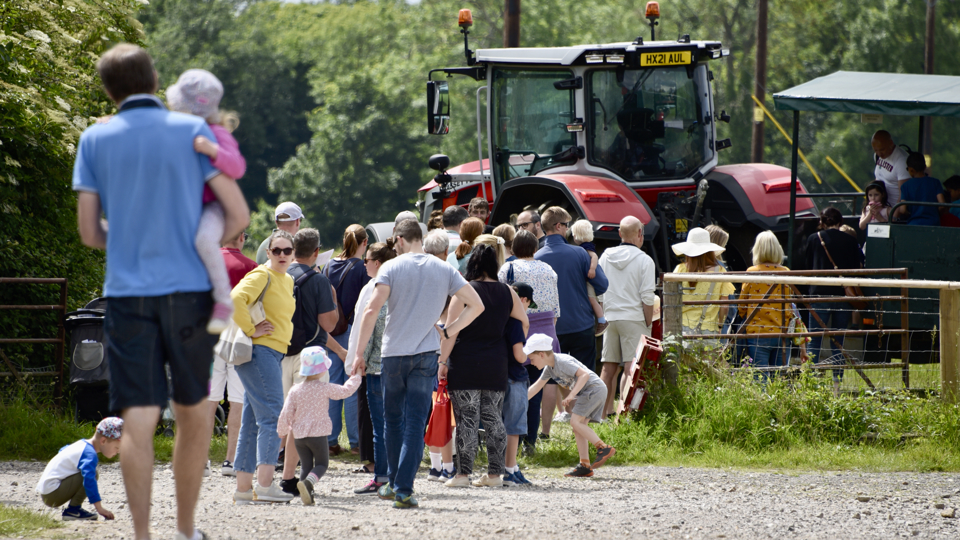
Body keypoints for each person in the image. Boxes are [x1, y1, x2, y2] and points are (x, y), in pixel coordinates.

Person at [74, 44, 249, 540]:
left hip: (127, 295)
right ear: (155, 81)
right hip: (190, 291)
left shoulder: (95, 138)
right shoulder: (192, 130)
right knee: (194, 412)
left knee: (139, 417)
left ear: (109, 91)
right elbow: (237, 216)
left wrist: (131, 239)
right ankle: (187, 530)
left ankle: (143, 535)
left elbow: (90, 232)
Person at [348, 219, 484, 509]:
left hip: (393, 353)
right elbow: (477, 305)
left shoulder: (391, 268)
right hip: (426, 354)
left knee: (392, 422)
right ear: (420, 238)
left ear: (398, 239)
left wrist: (359, 352)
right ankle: (403, 489)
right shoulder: (445, 268)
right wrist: (449, 329)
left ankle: (396, 484)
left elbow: (372, 310)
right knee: (414, 424)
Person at [165, 69, 247, 334]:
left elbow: (237, 167)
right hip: (189, 205)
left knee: (203, 240)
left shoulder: (216, 133)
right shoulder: (178, 132)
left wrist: (213, 150)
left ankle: (222, 300)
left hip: (213, 206)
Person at [440, 244, 529, 488]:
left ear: (472, 264)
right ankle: (494, 476)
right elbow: (524, 321)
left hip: (466, 361)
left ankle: (462, 475)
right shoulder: (508, 292)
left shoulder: (465, 292)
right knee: (493, 419)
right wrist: (511, 340)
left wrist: (442, 362)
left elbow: (450, 331)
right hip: (496, 362)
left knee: (467, 419)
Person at [231, 230, 297, 505]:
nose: (282, 255)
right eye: (277, 250)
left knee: (251, 421)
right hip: (260, 352)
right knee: (272, 416)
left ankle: (244, 490)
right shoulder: (262, 275)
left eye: (287, 250)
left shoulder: (288, 278)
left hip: (271, 353)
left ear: (293, 253)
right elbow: (235, 299)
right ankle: (267, 485)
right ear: (268, 252)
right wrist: (251, 329)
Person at [278, 227, 338, 495]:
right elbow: (328, 323)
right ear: (316, 252)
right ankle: (292, 477)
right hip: (310, 358)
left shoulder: (279, 274)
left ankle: (272, 475)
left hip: (280, 353)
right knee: (301, 422)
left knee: (283, 419)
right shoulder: (318, 280)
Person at [535, 207, 608, 426]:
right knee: (584, 375)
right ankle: (582, 424)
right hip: (580, 324)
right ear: (558, 226)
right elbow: (602, 285)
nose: (568, 229)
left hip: (550, 328)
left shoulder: (537, 257)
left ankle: (549, 427)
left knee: (549, 378)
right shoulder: (579, 254)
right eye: (566, 225)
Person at [497, 230, 560, 445]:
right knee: (538, 386)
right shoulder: (549, 269)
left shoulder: (508, 268)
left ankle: (512, 439)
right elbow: (555, 309)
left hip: (518, 331)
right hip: (545, 330)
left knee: (514, 389)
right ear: (535, 248)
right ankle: (530, 442)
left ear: (514, 248)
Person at [277, 347, 360, 506]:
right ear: (322, 370)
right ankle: (308, 484)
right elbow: (345, 391)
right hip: (318, 435)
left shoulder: (295, 390)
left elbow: (286, 412)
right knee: (322, 464)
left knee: (306, 465)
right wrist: (356, 377)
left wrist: (281, 431)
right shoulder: (324, 387)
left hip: (299, 437)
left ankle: (306, 491)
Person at [524, 334, 615, 478]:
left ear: (541, 354)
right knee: (578, 427)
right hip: (591, 391)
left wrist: (571, 395)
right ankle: (584, 465)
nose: (531, 362)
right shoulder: (549, 368)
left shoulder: (562, 360)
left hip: (593, 389)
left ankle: (603, 447)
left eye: (532, 358)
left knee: (575, 422)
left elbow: (584, 375)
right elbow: (536, 387)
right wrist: (521, 402)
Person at [348, 240, 398, 494]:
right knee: (399, 424)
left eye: (366, 260)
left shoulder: (376, 289)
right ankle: (398, 478)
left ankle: (381, 478)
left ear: (376, 263)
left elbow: (367, 325)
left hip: (377, 365)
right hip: (402, 363)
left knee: (380, 426)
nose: (364, 263)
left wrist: (359, 357)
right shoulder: (402, 287)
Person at [598, 216, 656, 417]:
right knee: (631, 368)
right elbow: (647, 296)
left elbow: (600, 289)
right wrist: (648, 322)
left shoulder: (605, 256)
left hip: (610, 316)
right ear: (640, 234)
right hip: (633, 317)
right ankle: (624, 413)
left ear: (619, 234)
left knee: (608, 368)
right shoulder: (645, 260)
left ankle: (602, 414)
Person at [322, 224, 371, 456]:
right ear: (365, 243)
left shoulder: (329, 264)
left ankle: (330, 441)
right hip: (352, 329)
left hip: (329, 330)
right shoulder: (362, 267)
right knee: (352, 384)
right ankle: (356, 442)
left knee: (332, 384)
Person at [213, 230, 258, 476]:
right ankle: (230, 460)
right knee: (238, 400)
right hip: (240, 338)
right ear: (242, 238)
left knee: (209, 401)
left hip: (210, 336)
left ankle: (201, 461)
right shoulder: (252, 267)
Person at [804, 207, 862, 391]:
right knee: (838, 341)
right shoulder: (850, 240)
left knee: (815, 340)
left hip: (819, 295)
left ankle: (811, 382)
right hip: (841, 295)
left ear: (822, 221)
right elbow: (856, 266)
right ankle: (836, 385)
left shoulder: (814, 239)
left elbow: (806, 265)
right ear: (840, 222)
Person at [37, 417, 123, 521]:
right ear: (103, 441)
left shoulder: (80, 445)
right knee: (91, 474)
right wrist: (99, 508)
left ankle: (73, 510)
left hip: (48, 491)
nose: (118, 452)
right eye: (117, 448)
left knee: (87, 472)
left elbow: (63, 450)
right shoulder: (90, 454)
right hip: (52, 494)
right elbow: (89, 479)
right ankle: (73, 510)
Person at [738, 231, 797, 380]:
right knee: (779, 379)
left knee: (760, 378)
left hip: (757, 333)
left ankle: (762, 403)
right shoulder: (786, 272)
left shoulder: (751, 272)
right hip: (781, 332)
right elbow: (790, 303)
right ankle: (778, 403)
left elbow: (742, 305)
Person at [672, 227, 735, 348]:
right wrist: (720, 325)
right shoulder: (719, 271)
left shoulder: (680, 269)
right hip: (709, 328)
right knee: (708, 365)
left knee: (685, 365)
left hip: (684, 328)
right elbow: (725, 305)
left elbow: (672, 299)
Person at [503, 283, 533, 485]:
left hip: (498, 376)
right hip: (515, 376)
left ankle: (511, 467)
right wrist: (531, 353)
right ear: (522, 300)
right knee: (514, 427)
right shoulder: (515, 323)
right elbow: (519, 356)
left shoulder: (498, 320)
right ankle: (509, 470)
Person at [569, 219, 607, 335]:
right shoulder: (585, 246)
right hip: (587, 277)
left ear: (577, 236)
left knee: (591, 299)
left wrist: (592, 269)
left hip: (590, 278)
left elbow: (594, 256)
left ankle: (602, 320)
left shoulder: (586, 247)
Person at [894, 151, 946, 226]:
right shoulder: (935, 182)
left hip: (913, 225)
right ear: (925, 167)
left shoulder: (905, 186)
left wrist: (910, 213)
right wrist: (935, 213)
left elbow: (902, 210)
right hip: (933, 224)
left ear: (911, 169)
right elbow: (942, 205)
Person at [871, 130, 910, 206]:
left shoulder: (902, 161)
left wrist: (894, 216)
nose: (879, 153)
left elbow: (904, 195)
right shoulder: (877, 156)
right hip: (879, 207)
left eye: (882, 149)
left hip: (893, 209)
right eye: (875, 150)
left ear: (891, 143)